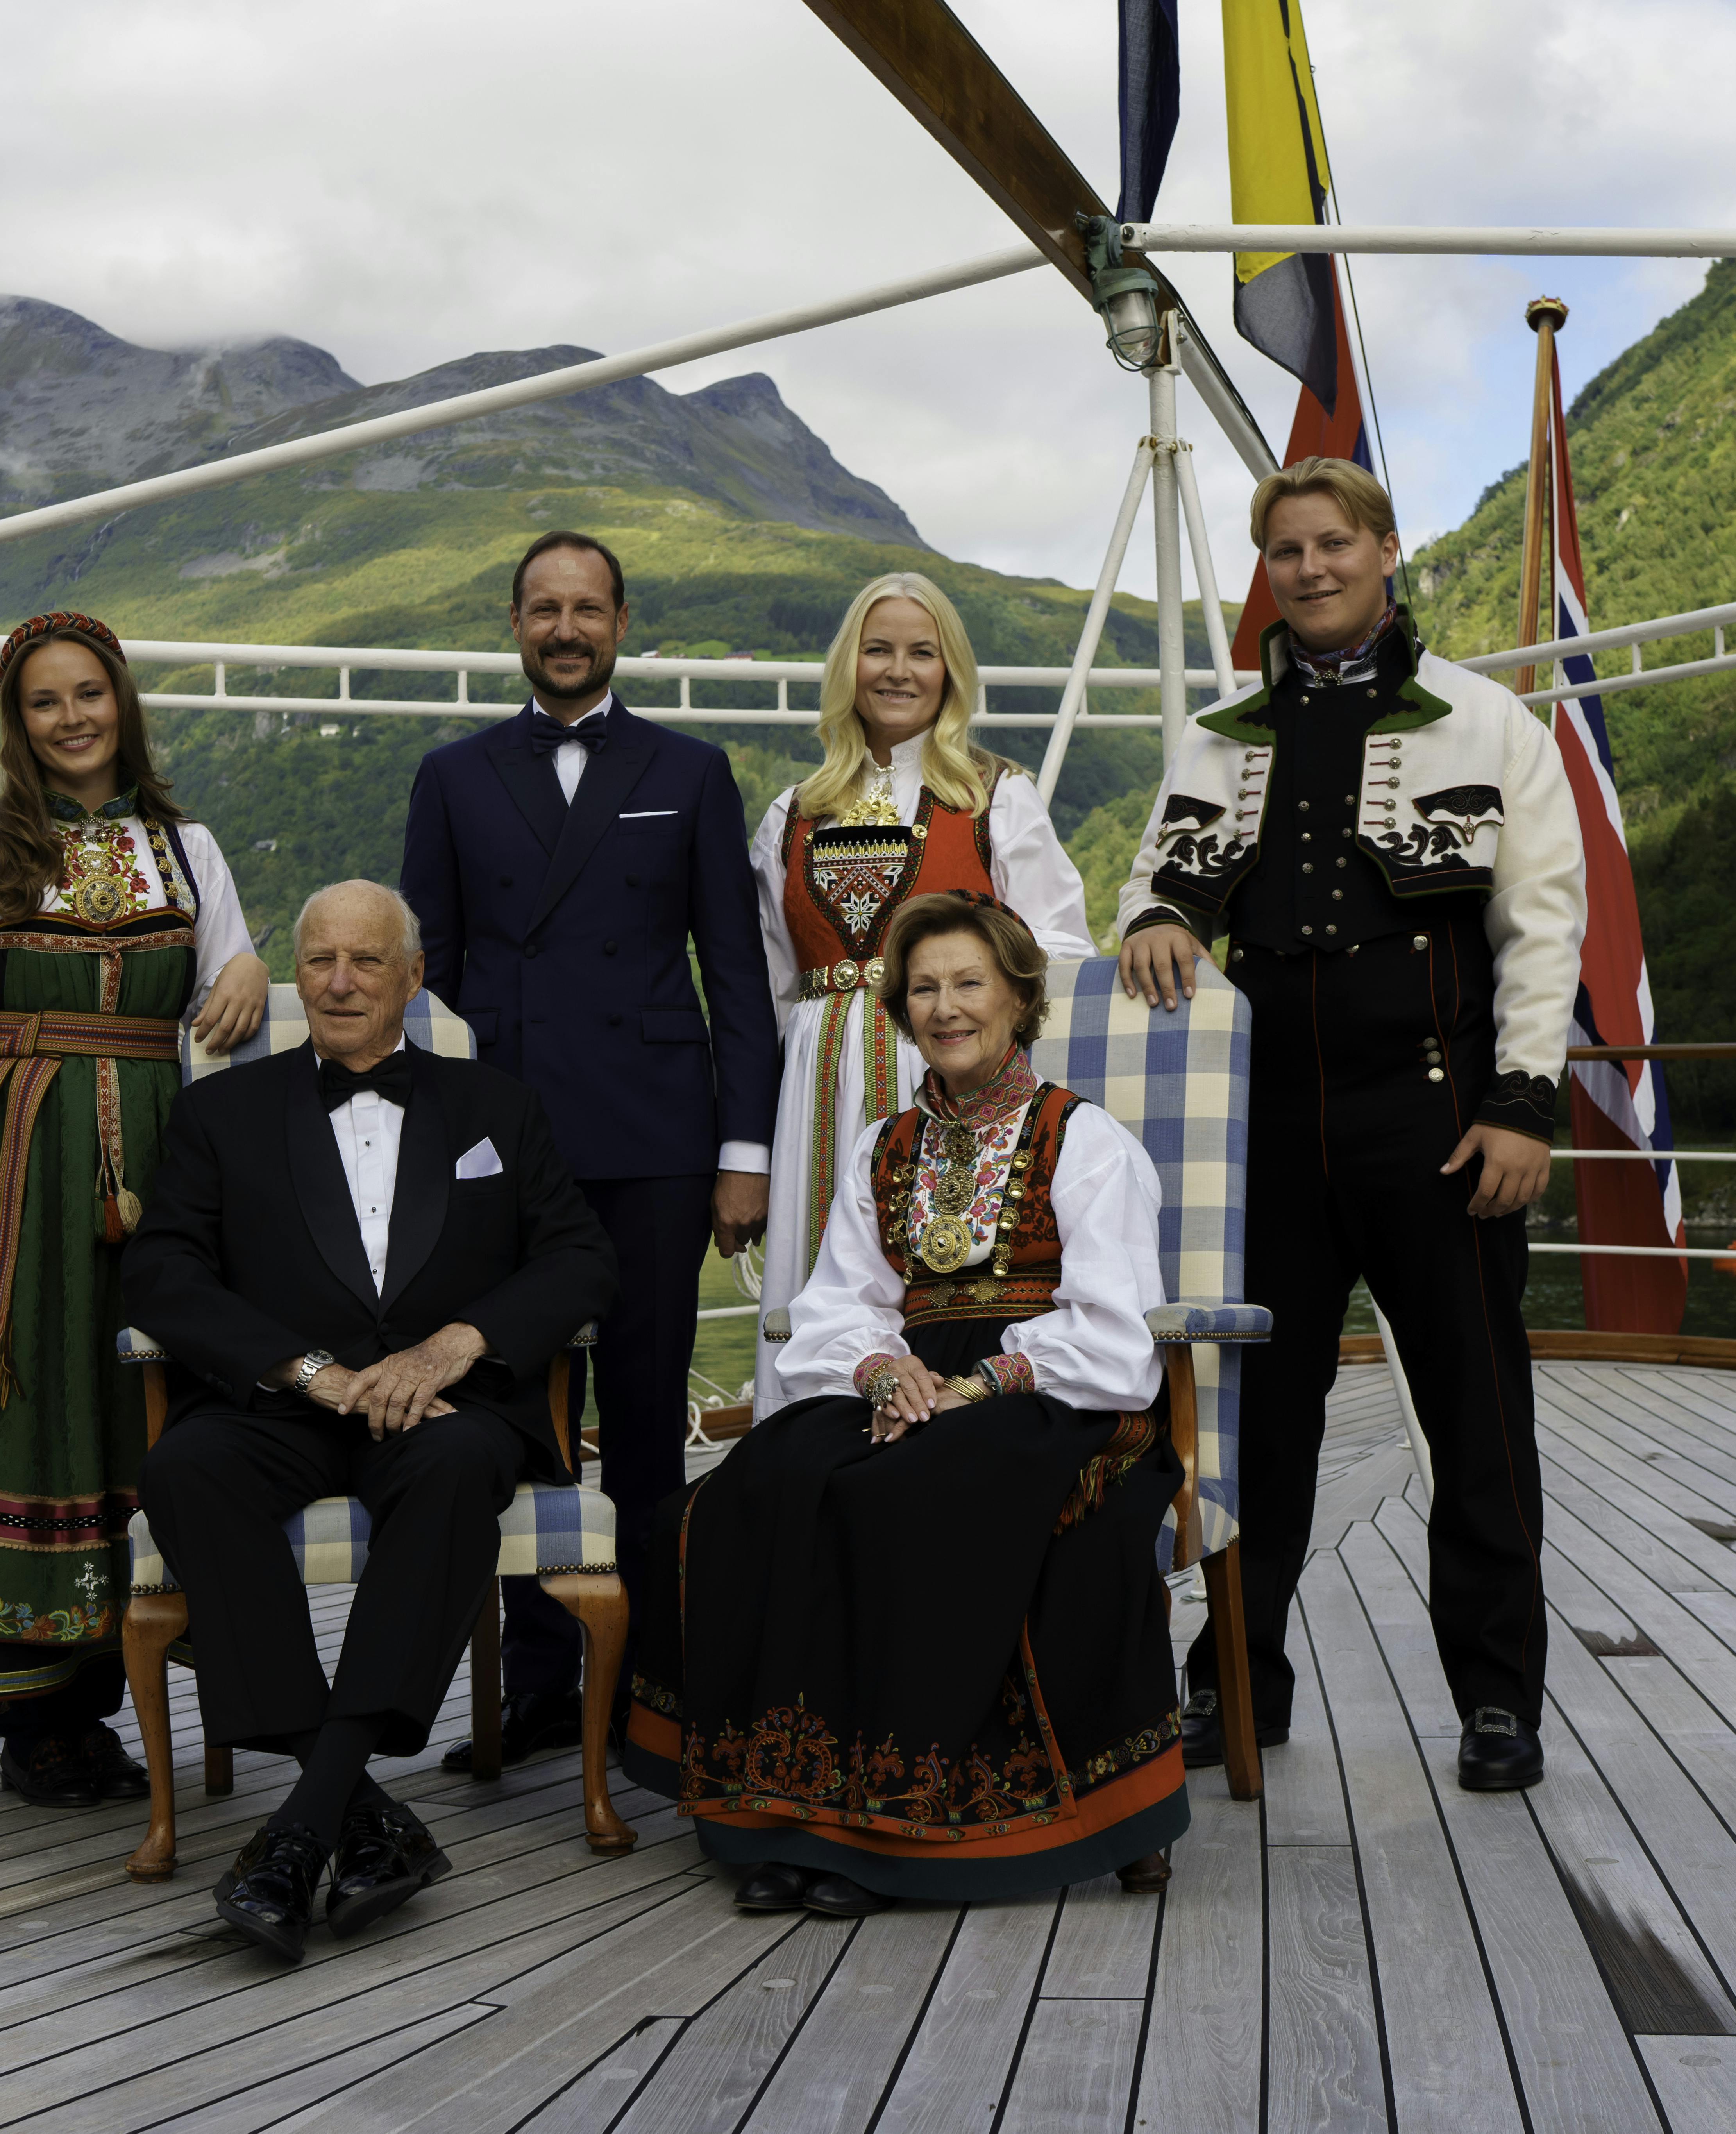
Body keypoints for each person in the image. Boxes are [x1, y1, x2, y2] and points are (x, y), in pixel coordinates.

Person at [1115, 457, 1586, 1793]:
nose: (1310, 569)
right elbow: (1156, 886)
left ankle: (1497, 1698)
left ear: (1383, 551)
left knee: (1476, 1414)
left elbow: (1542, 932)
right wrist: (1157, 916)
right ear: (1265, 570)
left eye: (1333, 544)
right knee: (1260, 1424)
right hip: (1267, 1133)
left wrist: (1520, 1106)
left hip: (1438, 1124)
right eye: (1285, 551)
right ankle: (1238, 1686)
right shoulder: (1217, 737)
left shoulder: (1489, 726)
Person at [623, 892, 1187, 1913]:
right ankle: (790, 1809)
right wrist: (887, 1373)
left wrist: (978, 1382)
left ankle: (893, 1830)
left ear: (1020, 996)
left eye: (969, 982)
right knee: (771, 1479)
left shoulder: (1086, 1138)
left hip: (1053, 1389)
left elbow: (1114, 1323)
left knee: (907, 1492)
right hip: (912, 1384)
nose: (945, 1005)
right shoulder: (886, 1144)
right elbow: (843, 1299)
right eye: (923, 987)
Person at [122, 880, 617, 1961]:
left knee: (451, 1473)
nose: (340, 981)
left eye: (366, 960)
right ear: (299, 975)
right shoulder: (221, 1112)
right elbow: (160, 1271)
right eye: (320, 961)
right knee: (187, 1469)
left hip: (446, 1404)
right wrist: (308, 1370)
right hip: (287, 1400)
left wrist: (457, 1342)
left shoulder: (499, 1105)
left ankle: (300, 1828)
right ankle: (354, 1810)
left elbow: (582, 1256)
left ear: (413, 974)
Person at [0, 610, 271, 1806]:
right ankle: (41, 1717)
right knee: (32, 1412)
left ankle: (147, 1679)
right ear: (18, 723)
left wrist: (249, 964)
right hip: (17, 1164)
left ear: (122, 700)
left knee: (143, 1412)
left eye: (91, 693)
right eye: (45, 701)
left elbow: (232, 984)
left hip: (165, 1167)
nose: (73, 716)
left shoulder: (190, 848)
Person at [400, 530, 776, 1767]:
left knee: (651, 1410)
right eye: (543, 609)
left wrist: (743, 1149)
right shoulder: (452, 777)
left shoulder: (692, 768)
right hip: (504, 1143)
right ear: (514, 624)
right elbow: (428, 980)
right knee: (514, 1413)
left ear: (622, 622)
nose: (566, 629)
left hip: (660, 1136)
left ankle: (658, 1682)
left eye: (588, 609)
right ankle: (543, 1686)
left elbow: (734, 974)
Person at [747, 572, 1093, 1416]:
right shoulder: (790, 813)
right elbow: (766, 987)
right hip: (816, 1083)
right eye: (878, 650)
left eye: (921, 652)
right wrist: (757, 1146)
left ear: (950, 672)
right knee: (815, 1281)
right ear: (847, 667)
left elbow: (1057, 951)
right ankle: (809, 1449)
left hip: (949, 1075)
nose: (897, 670)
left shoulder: (994, 797)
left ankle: (939, 1423)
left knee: (941, 1273)